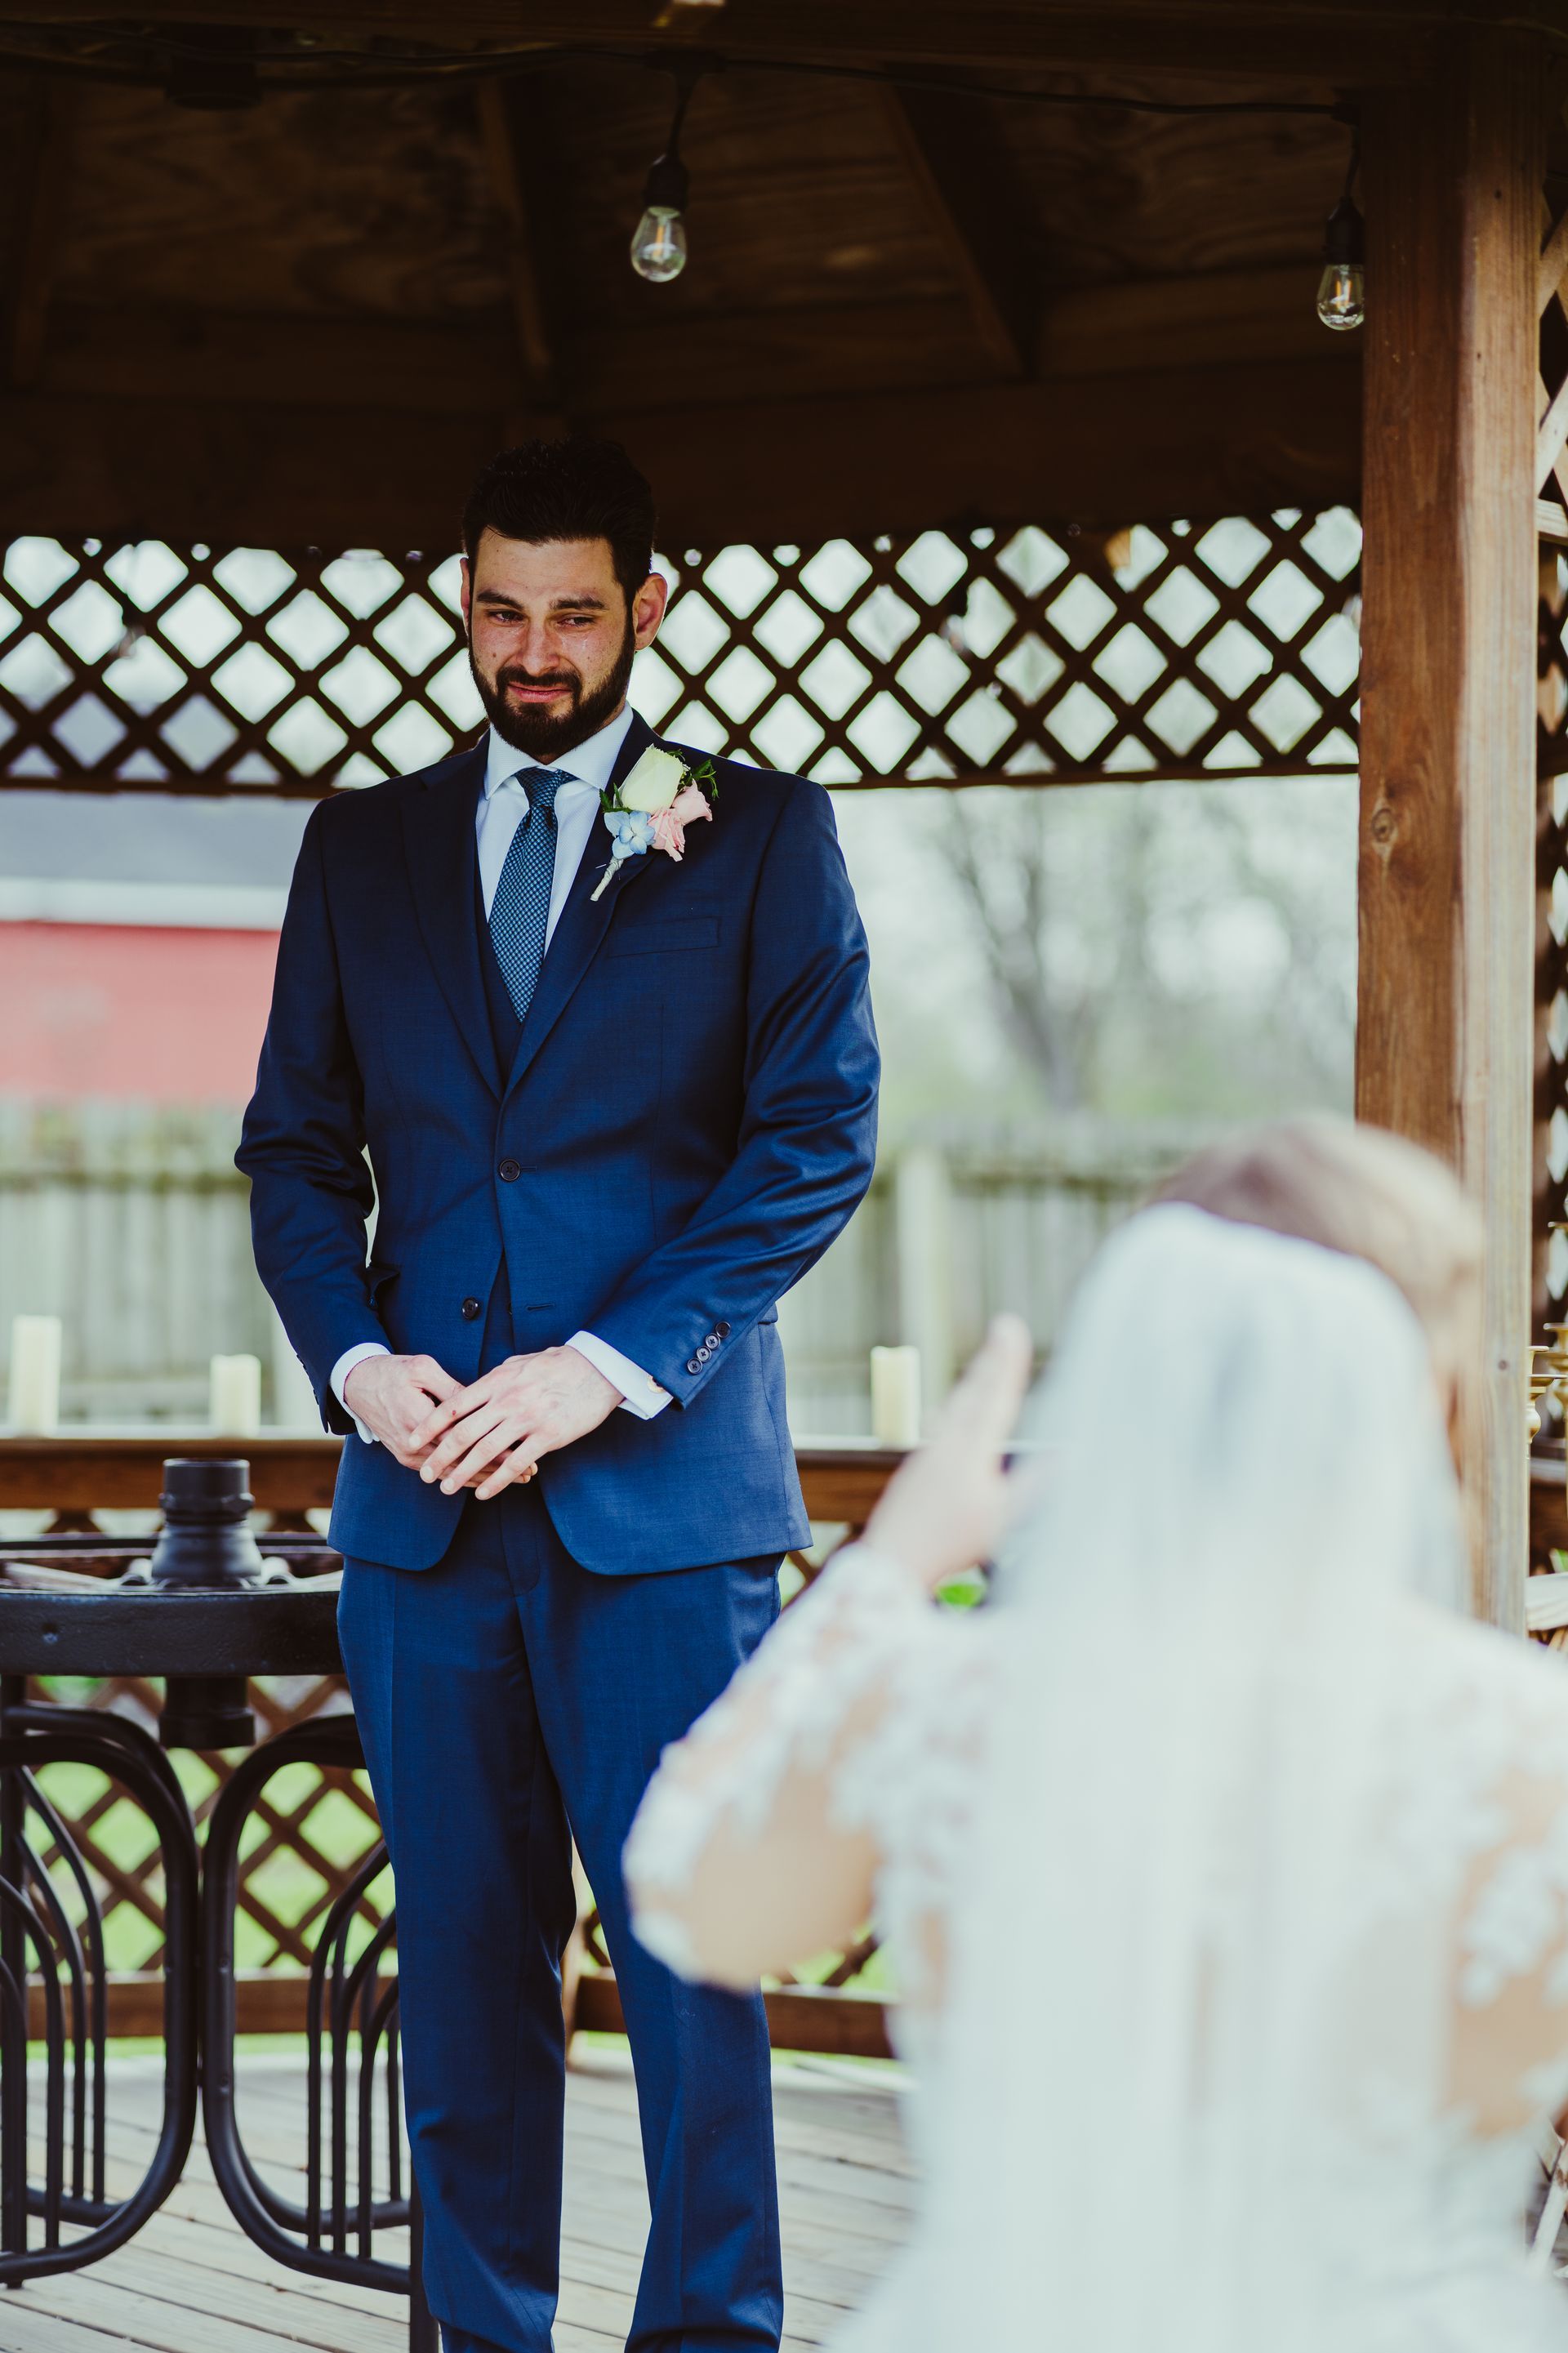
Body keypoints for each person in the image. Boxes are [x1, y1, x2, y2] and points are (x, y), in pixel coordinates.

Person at [237, 437, 880, 2353]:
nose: (535, 651)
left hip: (662, 1515)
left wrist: (602, 1371)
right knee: (461, 1980)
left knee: (697, 1969)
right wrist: (358, 1362)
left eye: (575, 614)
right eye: (503, 611)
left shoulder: (761, 835)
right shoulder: (359, 849)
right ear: (464, 604)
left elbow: (815, 1138)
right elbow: (293, 1152)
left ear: (647, 612)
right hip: (422, 1518)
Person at [626, 1116, 1568, 2351]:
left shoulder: (953, 1706)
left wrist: (894, 1562)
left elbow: (695, 1894)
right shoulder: (1522, 1740)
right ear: (1421, 1386)